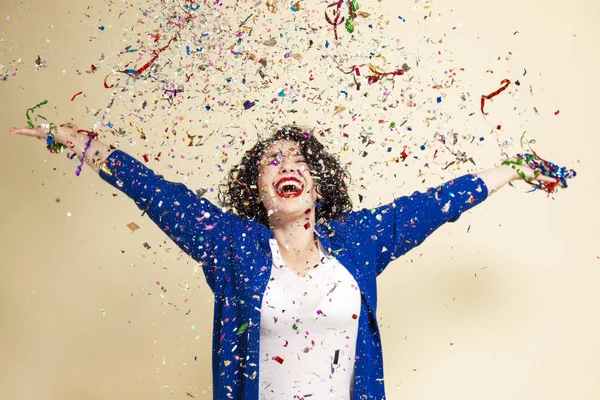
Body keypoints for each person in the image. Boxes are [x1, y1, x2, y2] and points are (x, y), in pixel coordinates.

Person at [8, 123, 558, 399]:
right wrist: (79, 142)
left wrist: (511, 169)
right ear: (258, 188)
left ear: (317, 186)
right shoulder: (232, 244)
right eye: (272, 163)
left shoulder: (359, 240)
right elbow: (158, 194)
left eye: (298, 160)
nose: (285, 166)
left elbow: (432, 205)